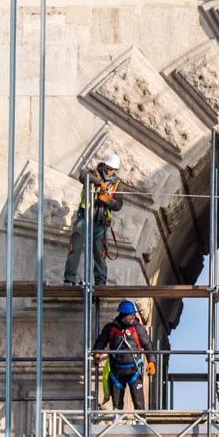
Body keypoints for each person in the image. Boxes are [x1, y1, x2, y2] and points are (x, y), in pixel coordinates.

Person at [65, 154, 123, 286]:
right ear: (104, 165)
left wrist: (107, 200)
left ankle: (100, 282)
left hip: (100, 223)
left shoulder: (117, 185)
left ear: (115, 170)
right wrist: (98, 183)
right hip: (84, 219)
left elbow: (118, 205)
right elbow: (83, 175)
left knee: (99, 255)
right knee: (75, 249)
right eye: (107, 168)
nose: (109, 171)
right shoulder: (93, 173)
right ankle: (69, 279)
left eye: (112, 169)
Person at [92, 300, 152, 412]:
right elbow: (101, 341)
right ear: (123, 315)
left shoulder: (138, 329)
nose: (133, 317)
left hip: (134, 370)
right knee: (117, 402)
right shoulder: (110, 328)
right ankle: (117, 422)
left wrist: (152, 362)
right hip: (116, 371)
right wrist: (97, 353)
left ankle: (141, 423)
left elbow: (148, 346)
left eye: (134, 315)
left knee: (138, 401)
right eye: (130, 315)